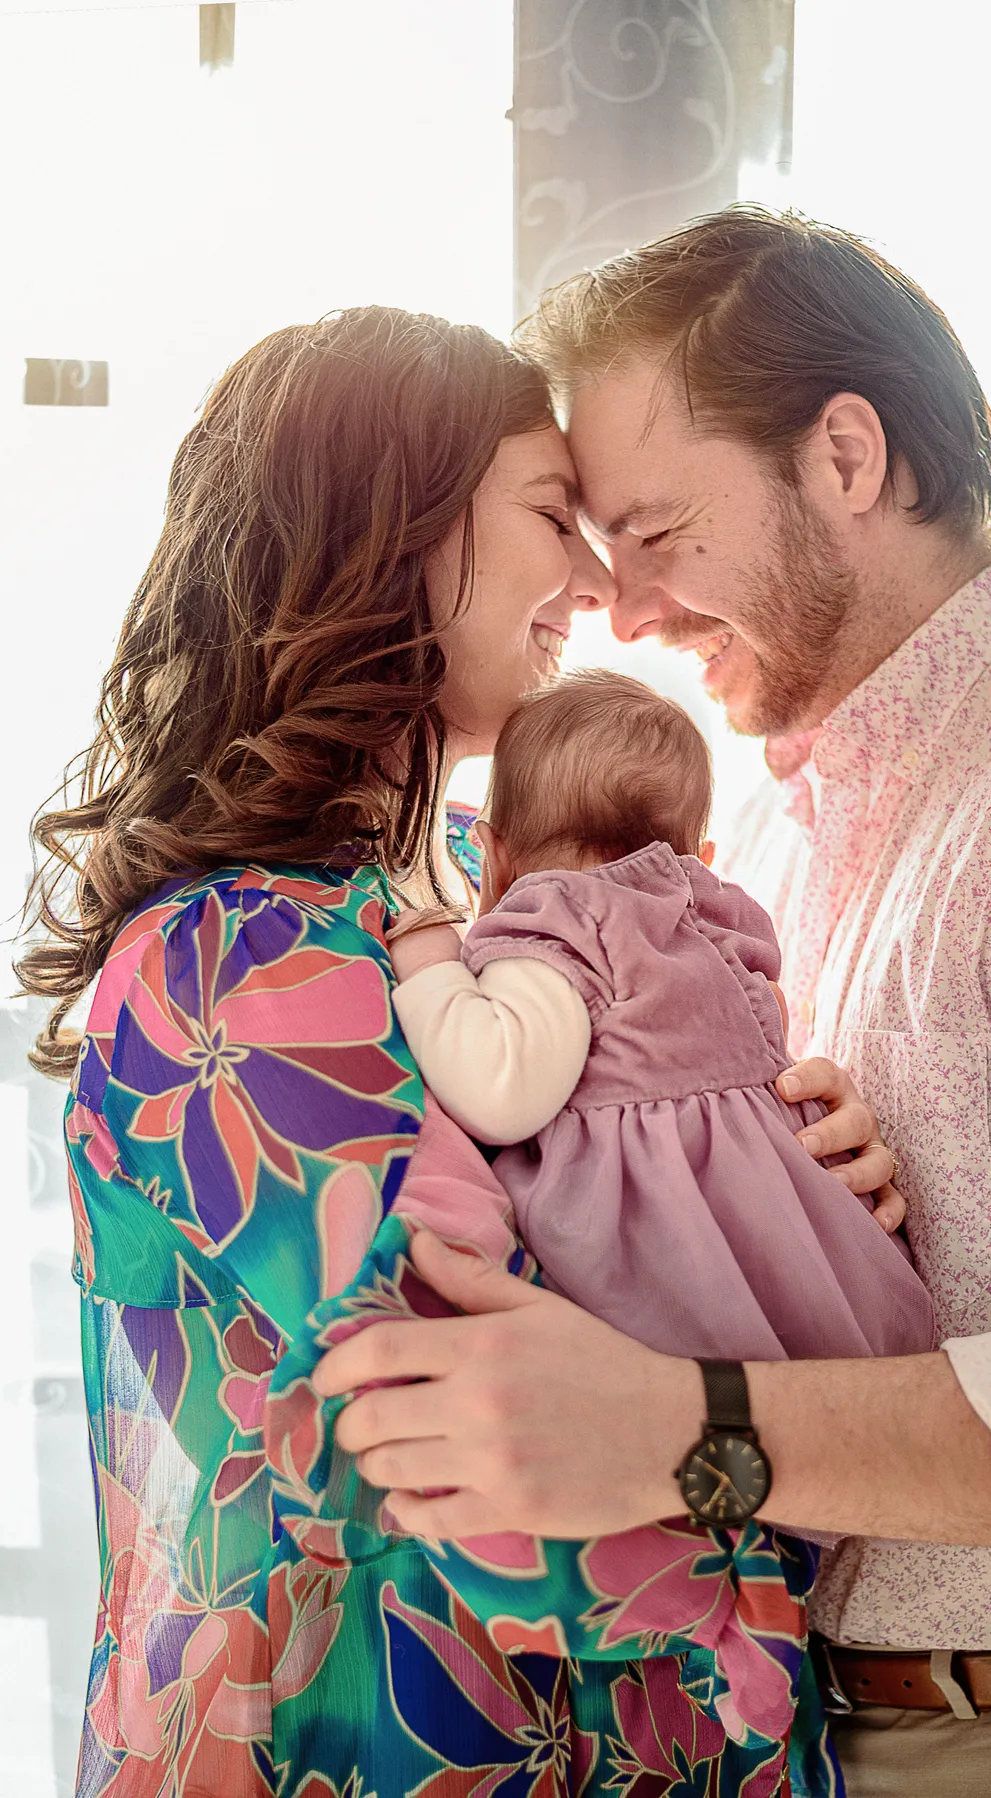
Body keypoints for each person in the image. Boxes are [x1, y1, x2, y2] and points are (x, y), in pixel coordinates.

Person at [316, 211, 991, 1797]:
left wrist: (687, 1427)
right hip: (822, 1725)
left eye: (655, 529)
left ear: (847, 458)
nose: (622, 608)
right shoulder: (758, 837)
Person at [18, 301, 898, 1798]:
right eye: (555, 513)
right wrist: (798, 1448)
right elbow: (496, 1453)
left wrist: (793, 1178)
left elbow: (637, 1271)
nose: (605, 584)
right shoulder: (236, 955)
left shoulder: (505, 882)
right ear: (393, 530)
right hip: (381, 1748)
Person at [388, 664, 935, 1375]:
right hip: (817, 1267)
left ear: (493, 856)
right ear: (701, 860)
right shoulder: (719, 929)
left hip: (678, 1291)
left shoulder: (558, 922)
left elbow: (499, 1090)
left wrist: (430, 960)